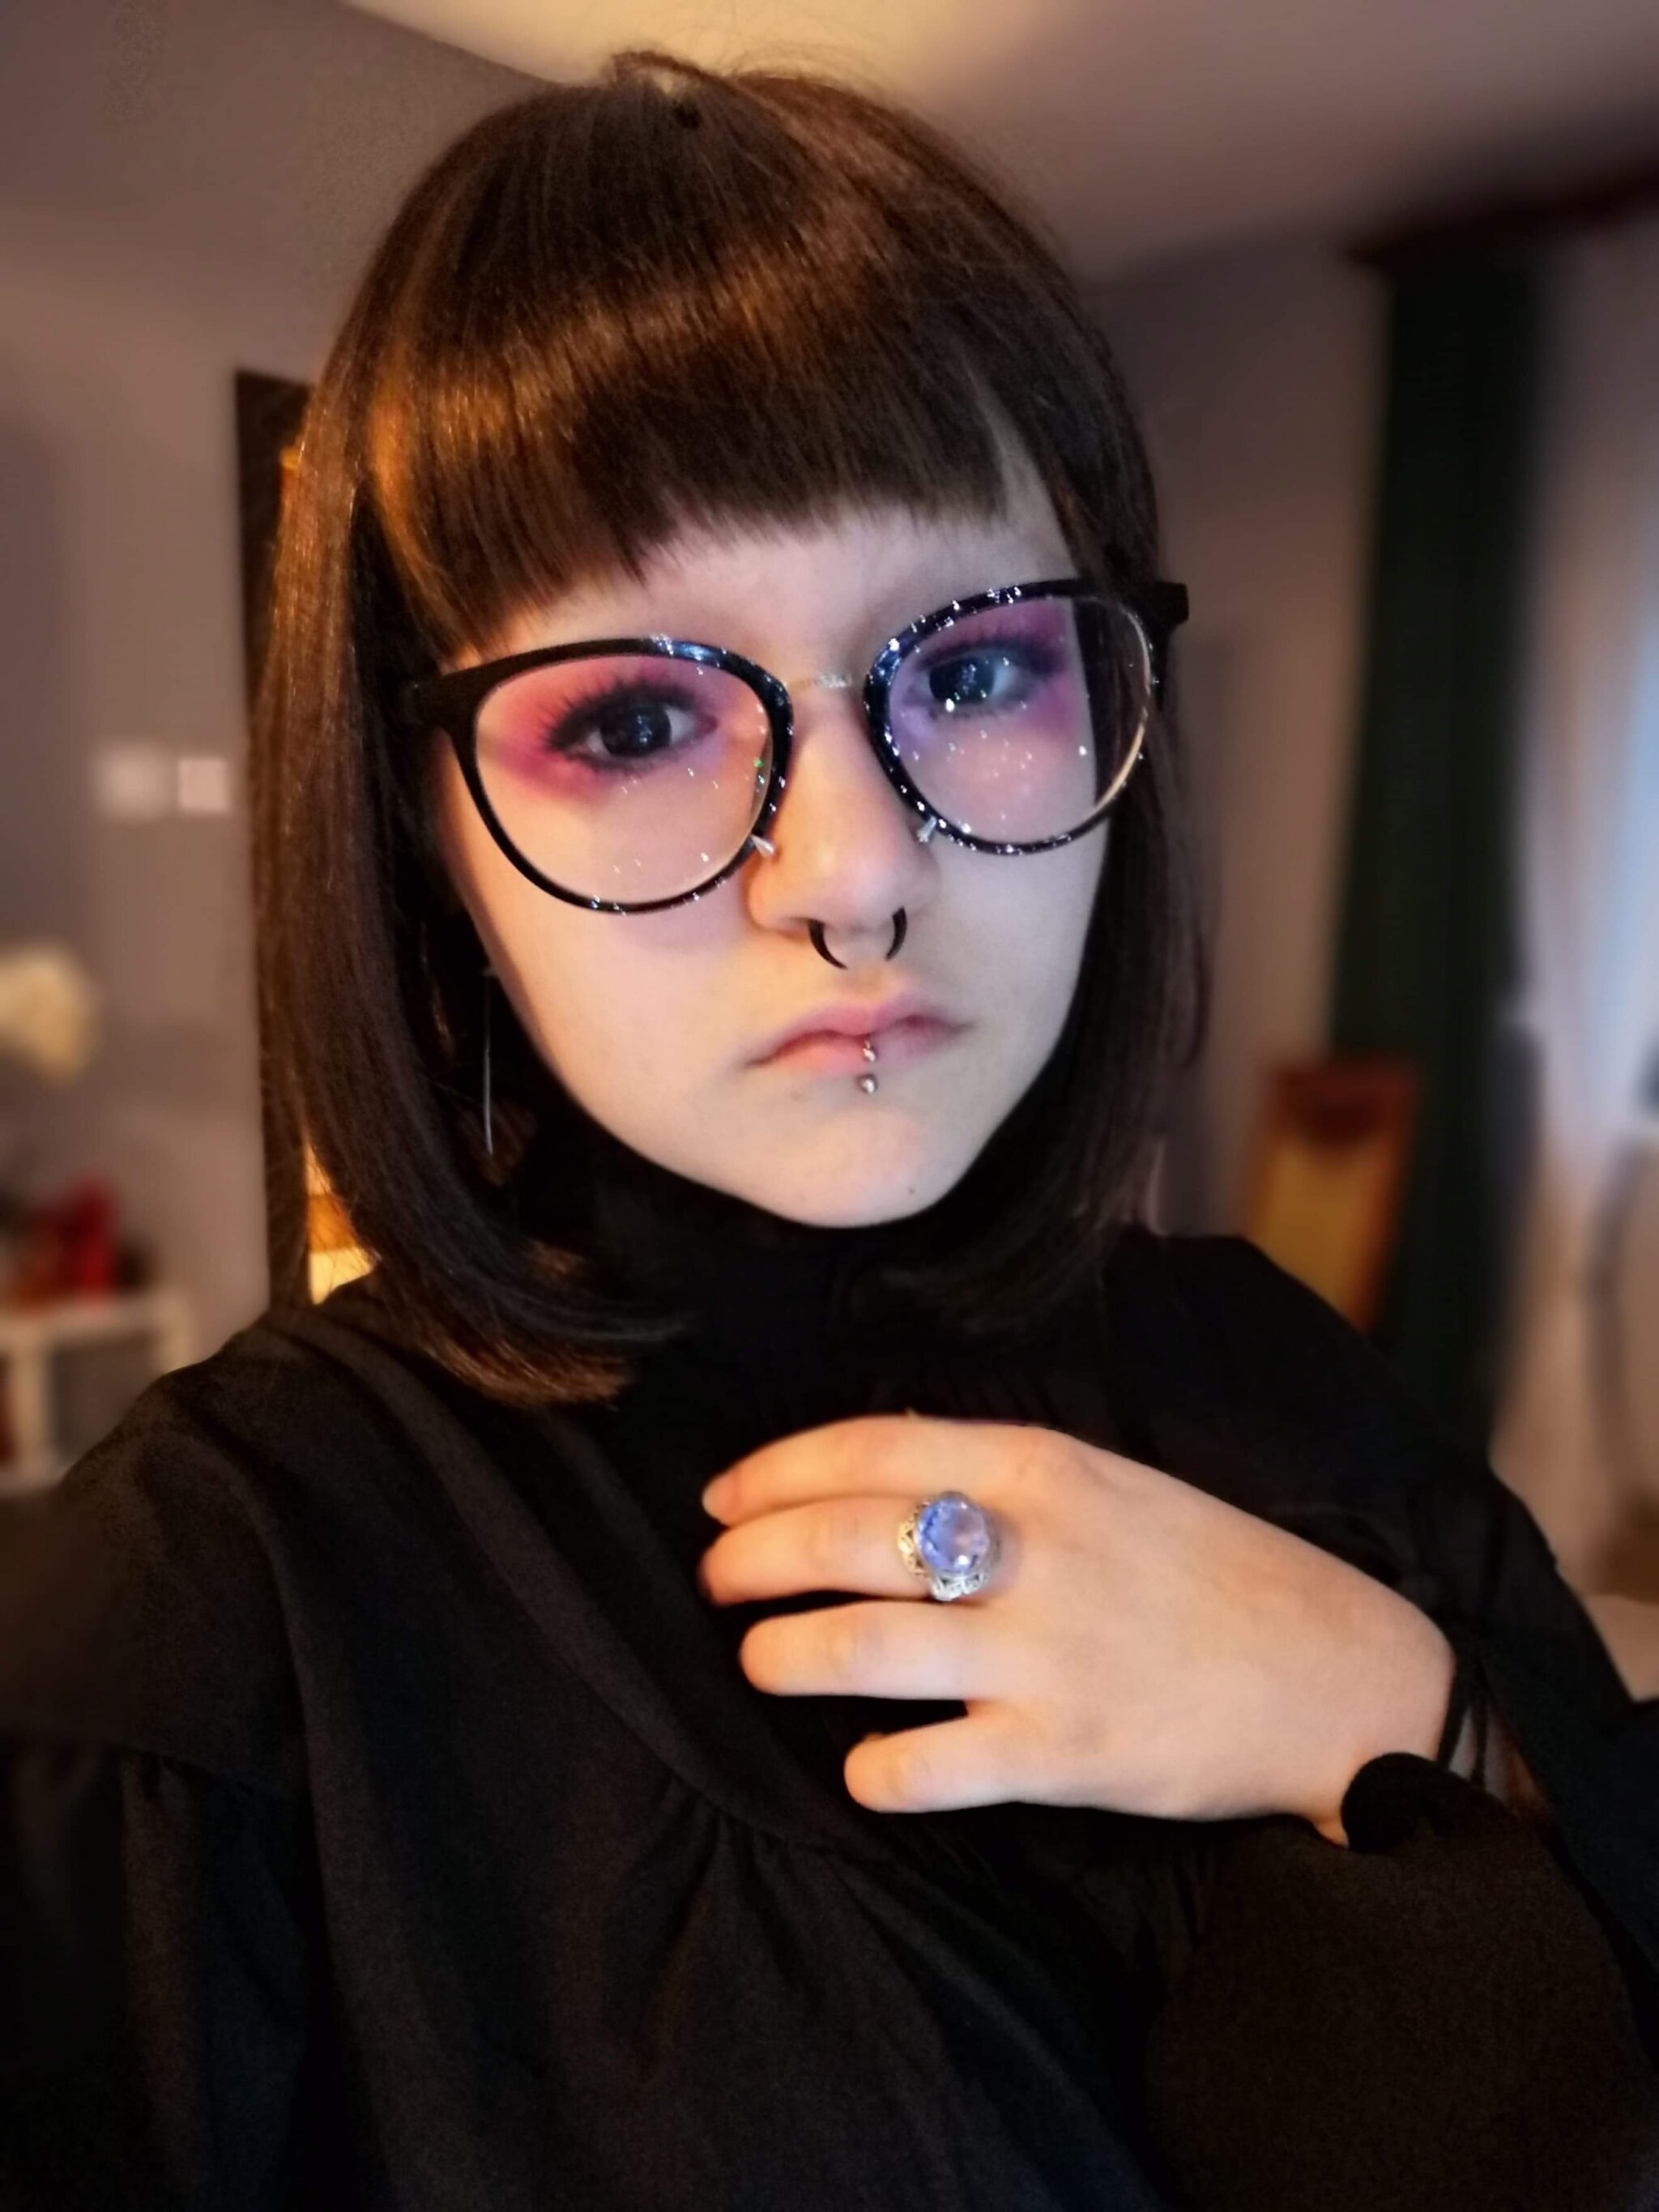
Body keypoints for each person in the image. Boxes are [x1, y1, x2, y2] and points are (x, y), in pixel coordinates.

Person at [2, 48, 1657, 2212]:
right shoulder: (207, 1617)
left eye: (970, 673)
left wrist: (1401, 1709)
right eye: (636, 718)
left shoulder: (1281, 1372)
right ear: (423, 838)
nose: (856, 872)